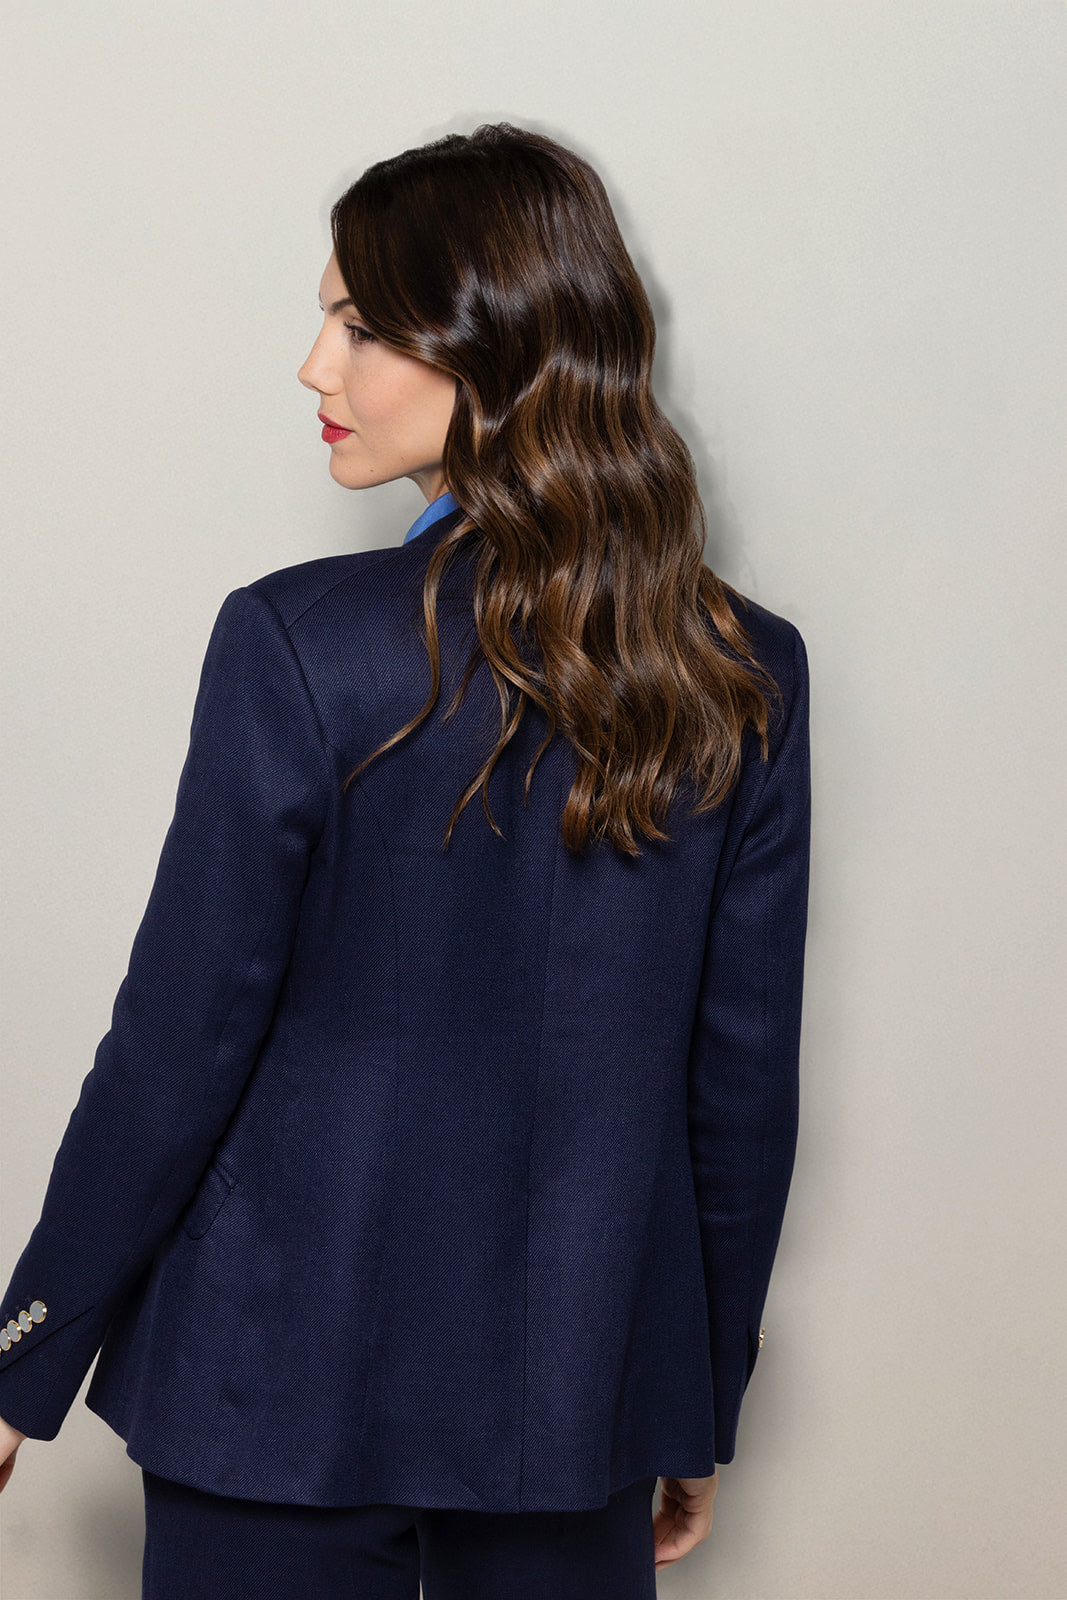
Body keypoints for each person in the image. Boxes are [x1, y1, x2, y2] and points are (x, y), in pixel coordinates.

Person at [0, 123, 810, 1598]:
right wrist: (693, 1399)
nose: (314, 366)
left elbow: (179, 1042)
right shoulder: (741, 668)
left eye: (359, 326)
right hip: (578, 1402)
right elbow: (738, 1089)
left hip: (269, 1384)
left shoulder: (299, 642)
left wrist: (24, 1347)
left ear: (486, 342)